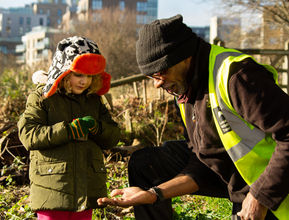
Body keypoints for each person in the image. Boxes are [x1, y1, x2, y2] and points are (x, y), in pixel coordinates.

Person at [97, 14, 289, 220]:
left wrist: (259, 197)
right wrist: (154, 194)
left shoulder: (237, 76)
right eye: (151, 76)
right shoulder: (183, 88)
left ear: (186, 56)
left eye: (161, 71)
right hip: (235, 179)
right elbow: (204, 161)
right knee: (145, 163)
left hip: (276, 185)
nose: (157, 84)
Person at [18, 36, 120, 220]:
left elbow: (113, 137)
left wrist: (97, 128)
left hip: (87, 188)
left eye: (90, 76)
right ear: (64, 72)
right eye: (79, 74)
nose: (84, 81)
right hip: (52, 188)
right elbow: (29, 135)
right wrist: (68, 131)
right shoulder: (42, 98)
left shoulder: (94, 100)